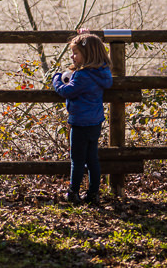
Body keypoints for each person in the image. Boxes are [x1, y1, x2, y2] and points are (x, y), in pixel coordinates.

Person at [51, 31, 113, 205]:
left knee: (77, 160)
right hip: (95, 122)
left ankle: (73, 193)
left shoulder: (83, 76)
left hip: (79, 123)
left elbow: (66, 91)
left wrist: (56, 78)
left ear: (87, 55)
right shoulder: (102, 72)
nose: (72, 56)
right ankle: (93, 193)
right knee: (92, 158)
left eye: (75, 53)